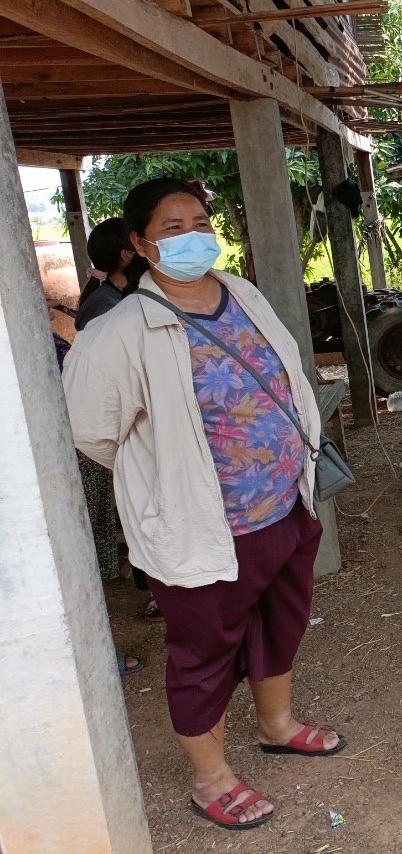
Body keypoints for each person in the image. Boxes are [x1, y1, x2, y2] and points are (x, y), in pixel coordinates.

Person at [63, 177, 346, 831]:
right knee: (203, 651)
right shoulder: (124, 327)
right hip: (204, 528)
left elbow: (289, 375)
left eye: (199, 222)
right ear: (139, 244)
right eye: (171, 228)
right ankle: (211, 778)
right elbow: (91, 429)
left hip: (284, 508)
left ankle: (277, 725)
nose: (192, 236)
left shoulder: (242, 294)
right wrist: (162, 482)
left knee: (282, 623)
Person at [73, 217, 163, 626]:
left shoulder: (119, 297)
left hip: (145, 423)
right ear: (128, 254)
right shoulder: (103, 311)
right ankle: (157, 591)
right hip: (129, 430)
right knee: (142, 505)